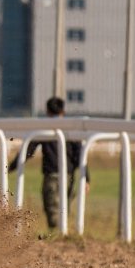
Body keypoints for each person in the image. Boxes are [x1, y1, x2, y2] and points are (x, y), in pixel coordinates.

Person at [8, 96, 84, 230]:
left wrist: (12, 166)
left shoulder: (45, 128)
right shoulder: (70, 128)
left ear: (48, 111)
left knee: (52, 209)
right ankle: (62, 235)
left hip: (52, 175)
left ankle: (57, 235)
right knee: (64, 207)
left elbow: (28, 150)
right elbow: (80, 154)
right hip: (69, 175)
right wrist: (86, 177)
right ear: (63, 111)